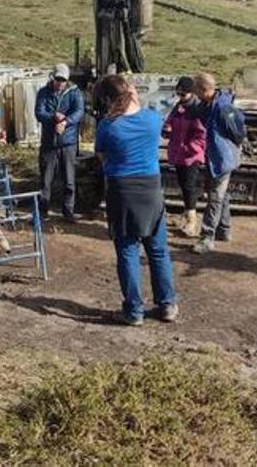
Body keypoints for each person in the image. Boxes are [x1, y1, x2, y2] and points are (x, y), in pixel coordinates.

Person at [95, 74, 178, 326]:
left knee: (128, 250)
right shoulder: (153, 120)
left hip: (122, 190)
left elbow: (101, 155)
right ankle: (166, 304)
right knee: (158, 250)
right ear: (131, 92)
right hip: (150, 189)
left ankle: (134, 311)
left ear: (109, 99)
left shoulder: (108, 126)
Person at [190, 72, 247, 255]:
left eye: (196, 91)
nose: (195, 95)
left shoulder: (223, 107)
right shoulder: (209, 104)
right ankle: (224, 229)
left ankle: (207, 237)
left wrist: (234, 145)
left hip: (222, 157)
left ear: (204, 89)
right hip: (217, 155)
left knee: (215, 196)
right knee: (221, 194)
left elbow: (237, 131)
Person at [34, 63, 84, 221]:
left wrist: (66, 122)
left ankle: (68, 211)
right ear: (52, 77)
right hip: (49, 142)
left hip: (68, 142)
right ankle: (43, 211)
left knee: (69, 180)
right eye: (58, 79)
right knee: (46, 180)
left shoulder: (74, 93)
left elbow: (79, 112)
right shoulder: (44, 92)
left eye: (63, 80)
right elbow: (39, 113)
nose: (60, 83)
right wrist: (53, 118)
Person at [162, 76, 206, 237]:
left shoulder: (197, 110)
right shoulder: (179, 107)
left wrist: (189, 148)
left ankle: (192, 222)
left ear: (191, 93)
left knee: (189, 186)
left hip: (191, 155)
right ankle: (187, 215)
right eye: (178, 94)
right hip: (179, 153)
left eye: (183, 95)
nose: (180, 97)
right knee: (183, 185)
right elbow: (170, 121)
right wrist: (166, 128)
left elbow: (201, 134)